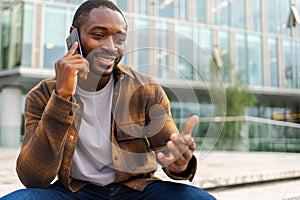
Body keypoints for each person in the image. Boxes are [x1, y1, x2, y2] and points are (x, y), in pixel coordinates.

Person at [1, 0, 216, 199]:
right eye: (98, 35)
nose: (111, 47)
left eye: (119, 39)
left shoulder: (145, 90)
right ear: (73, 36)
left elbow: (170, 155)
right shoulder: (41, 96)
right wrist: (62, 96)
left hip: (135, 190)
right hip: (76, 191)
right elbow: (33, 179)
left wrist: (179, 162)